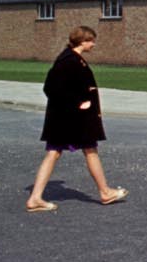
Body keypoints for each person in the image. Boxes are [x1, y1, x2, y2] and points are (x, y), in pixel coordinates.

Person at [25, 26, 128, 212]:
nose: (93, 44)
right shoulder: (69, 61)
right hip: (72, 120)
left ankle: (35, 198)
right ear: (83, 41)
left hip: (67, 120)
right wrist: (78, 102)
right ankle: (104, 192)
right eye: (91, 40)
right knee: (88, 150)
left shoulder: (71, 59)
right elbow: (51, 88)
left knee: (58, 153)